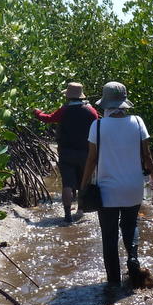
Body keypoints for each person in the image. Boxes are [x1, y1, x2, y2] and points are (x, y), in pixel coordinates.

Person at [79, 81, 153, 286]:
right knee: (130, 226)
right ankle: (133, 259)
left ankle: (113, 283)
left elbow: (91, 159)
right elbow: (146, 155)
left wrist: (84, 185)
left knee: (109, 237)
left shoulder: (97, 126)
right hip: (133, 188)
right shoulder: (138, 122)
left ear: (105, 104)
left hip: (107, 191)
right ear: (124, 102)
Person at [33, 82, 99, 222]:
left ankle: (67, 215)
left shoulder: (64, 110)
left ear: (68, 96)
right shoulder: (91, 111)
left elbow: (48, 118)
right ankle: (80, 210)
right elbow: (98, 126)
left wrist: (37, 112)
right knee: (83, 182)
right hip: (85, 153)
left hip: (66, 152)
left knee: (67, 184)